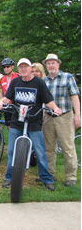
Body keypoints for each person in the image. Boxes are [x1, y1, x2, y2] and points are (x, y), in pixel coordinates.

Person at [0, 58, 62, 191]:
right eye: (21, 67)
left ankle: (46, 179)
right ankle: (10, 177)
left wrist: (56, 108)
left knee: (40, 151)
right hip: (17, 121)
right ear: (18, 69)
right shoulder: (15, 81)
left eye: (26, 67)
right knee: (11, 151)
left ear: (31, 68)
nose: (23, 69)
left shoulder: (39, 83)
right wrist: (1, 102)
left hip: (34, 121)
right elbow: (8, 97)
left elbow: (48, 99)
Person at [42, 53, 81, 187]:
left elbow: (75, 96)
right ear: (46, 65)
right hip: (48, 117)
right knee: (49, 148)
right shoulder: (44, 80)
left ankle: (71, 177)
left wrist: (77, 115)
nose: (51, 65)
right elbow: (43, 101)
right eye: (48, 63)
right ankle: (50, 174)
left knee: (67, 147)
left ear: (58, 64)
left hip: (64, 116)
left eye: (53, 63)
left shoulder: (67, 77)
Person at [0, 58, 20, 129]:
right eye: (4, 67)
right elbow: (1, 92)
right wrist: (1, 102)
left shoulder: (18, 76)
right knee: (9, 126)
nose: (6, 68)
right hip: (7, 105)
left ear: (12, 67)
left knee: (18, 126)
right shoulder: (2, 79)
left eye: (8, 66)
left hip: (16, 105)